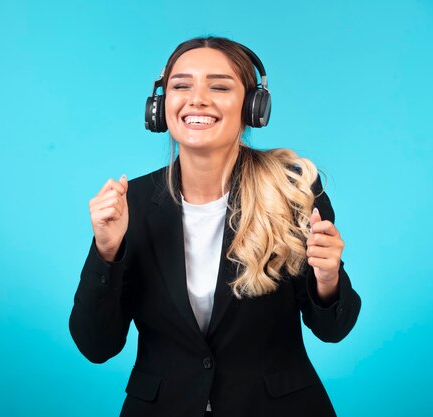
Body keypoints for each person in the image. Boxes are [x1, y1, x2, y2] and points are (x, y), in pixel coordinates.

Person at [69, 36, 361, 417]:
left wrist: (328, 278)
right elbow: (96, 345)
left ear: (254, 107)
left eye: (219, 86)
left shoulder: (292, 190)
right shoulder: (133, 204)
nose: (197, 99)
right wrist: (107, 251)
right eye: (181, 86)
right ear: (159, 106)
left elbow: (332, 330)